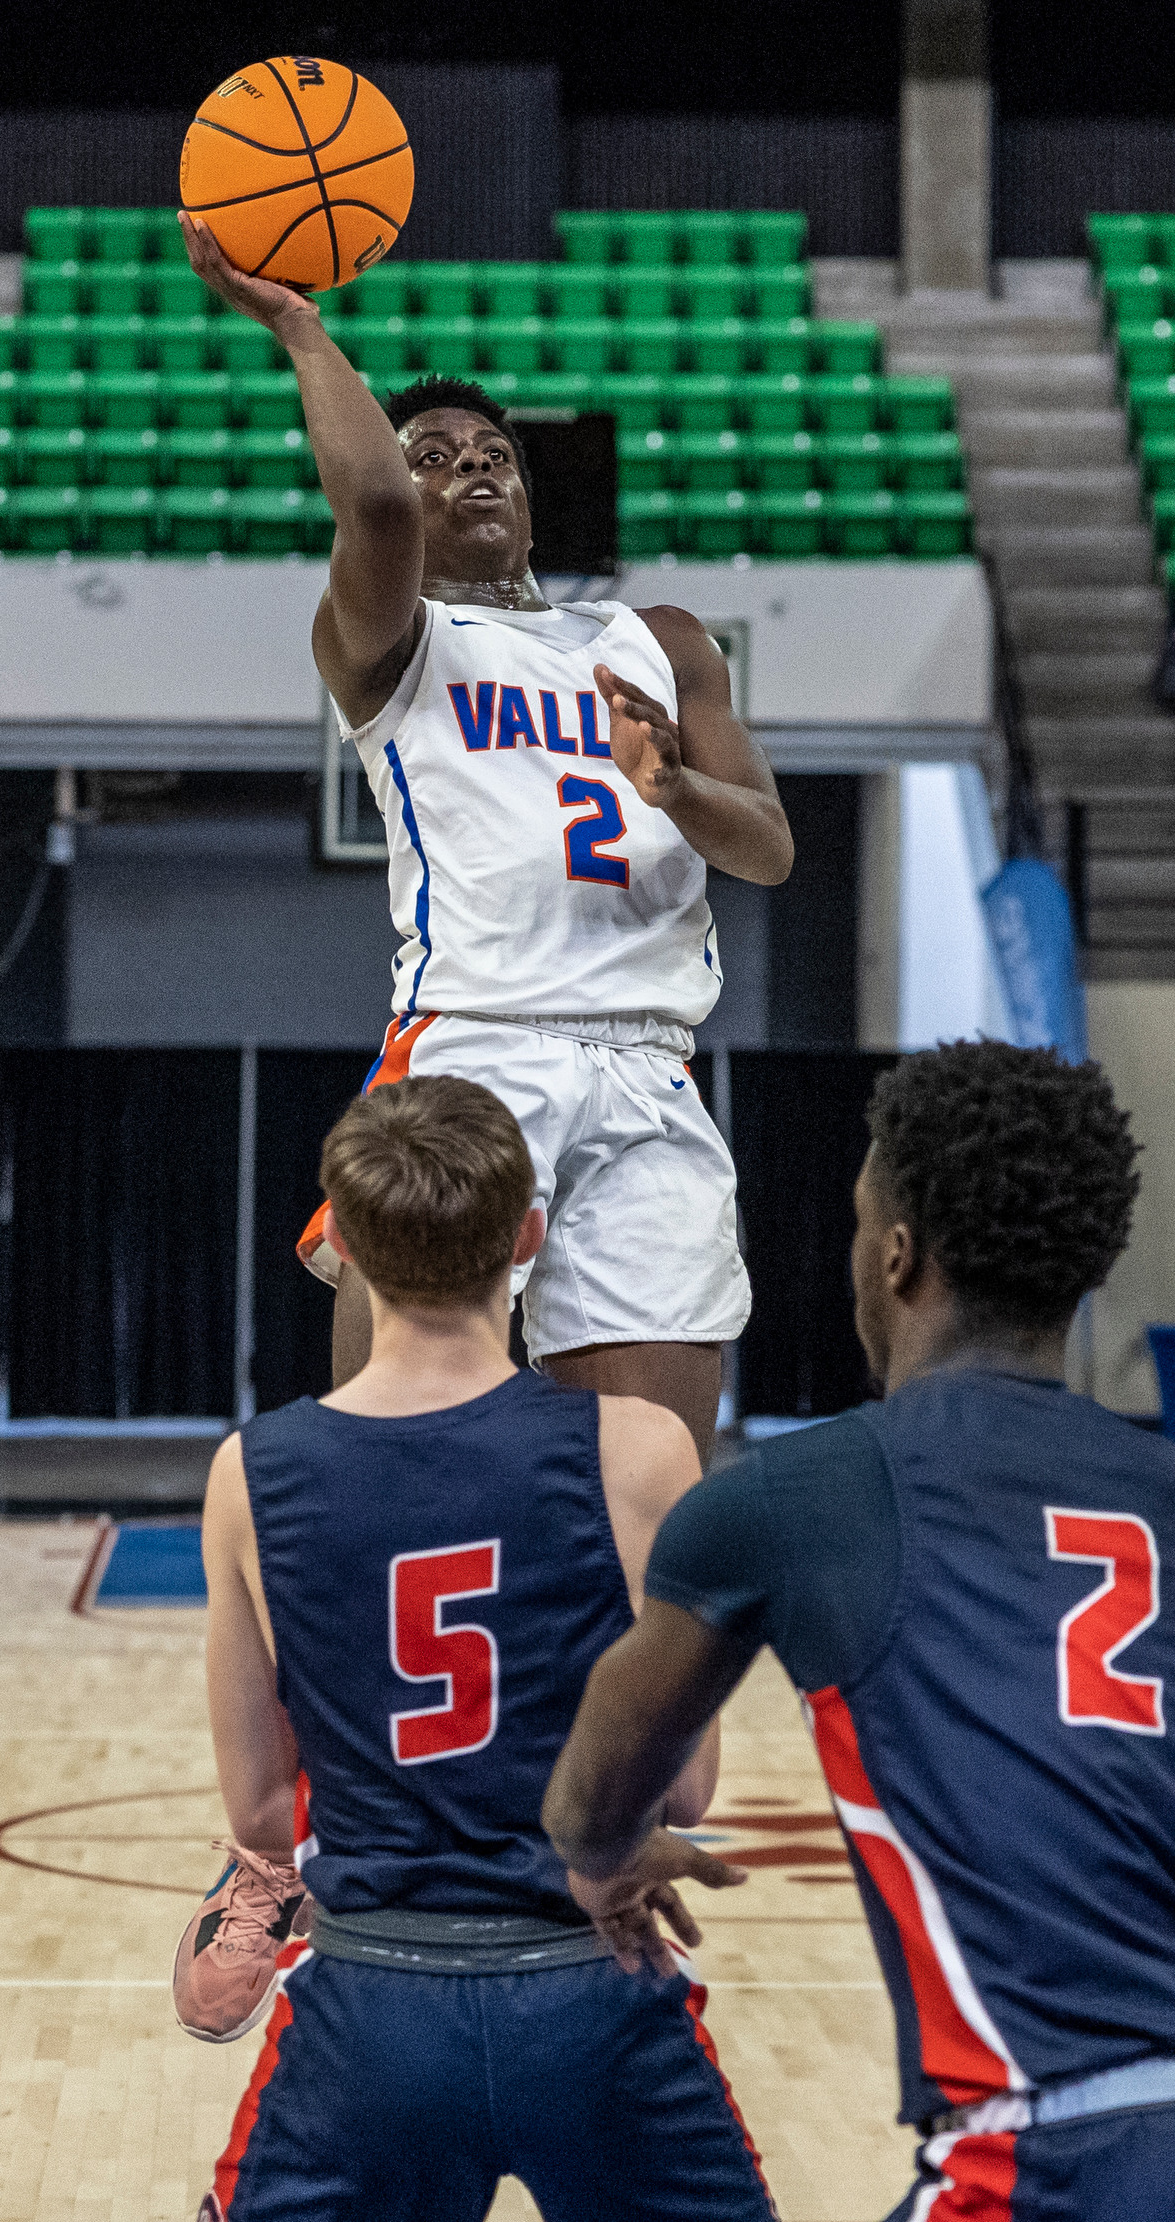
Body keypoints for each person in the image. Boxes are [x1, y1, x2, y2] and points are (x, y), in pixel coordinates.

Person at [177, 210, 794, 1473]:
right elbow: (368, 505)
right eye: (436, 453)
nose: (471, 467)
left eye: (493, 452)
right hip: (479, 1037)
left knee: (652, 1484)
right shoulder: (394, 644)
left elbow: (770, 848)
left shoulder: (664, 640)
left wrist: (672, 784)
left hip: (648, 1060)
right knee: (404, 1456)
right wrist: (298, 324)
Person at [543, 1040, 1175, 2222]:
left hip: (1039, 2155)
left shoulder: (796, 1497)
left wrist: (606, 1854)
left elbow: (588, 1798)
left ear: (895, 1255)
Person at [183, 1075, 776, 2220]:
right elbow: (687, 1784)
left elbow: (261, 1813)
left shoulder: (250, 1472)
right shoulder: (640, 1447)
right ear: (530, 1235)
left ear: (341, 1243)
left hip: (370, 2001)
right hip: (594, 1985)